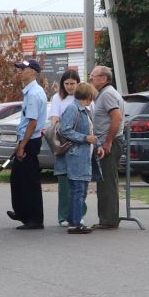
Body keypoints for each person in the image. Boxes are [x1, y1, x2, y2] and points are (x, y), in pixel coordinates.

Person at [6, 59, 49, 230]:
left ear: (33, 72)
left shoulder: (33, 94)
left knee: (29, 181)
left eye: (23, 69)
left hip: (30, 140)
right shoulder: (31, 92)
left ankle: (35, 219)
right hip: (27, 139)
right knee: (18, 178)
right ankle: (22, 212)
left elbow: (32, 122)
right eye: (20, 69)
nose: (20, 71)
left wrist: (22, 145)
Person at [60, 82, 99, 234]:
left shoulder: (85, 111)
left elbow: (91, 131)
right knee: (77, 190)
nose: (91, 100)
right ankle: (75, 223)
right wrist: (85, 138)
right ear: (87, 96)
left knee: (81, 190)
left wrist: (98, 145)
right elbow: (65, 130)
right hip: (76, 155)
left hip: (85, 155)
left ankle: (74, 220)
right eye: (91, 97)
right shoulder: (73, 109)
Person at [89, 65, 125, 230]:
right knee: (105, 181)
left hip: (110, 142)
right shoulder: (103, 94)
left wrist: (108, 141)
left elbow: (116, 117)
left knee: (107, 182)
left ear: (103, 78)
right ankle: (108, 217)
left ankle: (109, 220)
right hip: (106, 141)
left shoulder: (108, 94)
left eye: (93, 76)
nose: (90, 79)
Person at [50, 68, 83, 226]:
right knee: (64, 181)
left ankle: (78, 214)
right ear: (63, 84)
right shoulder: (57, 98)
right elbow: (54, 119)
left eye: (73, 83)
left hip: (81, 143)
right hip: (64, 143)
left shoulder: (83, 98)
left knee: (80, 180)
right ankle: (63, 216)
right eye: (67, 83)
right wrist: (60, 133)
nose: (70, 86)